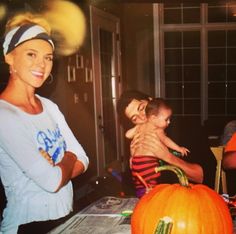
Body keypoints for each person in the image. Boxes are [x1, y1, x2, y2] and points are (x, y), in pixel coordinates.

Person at [0, 12, 89, 234]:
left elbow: (84, 159)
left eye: (48, 57)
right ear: (9, 57)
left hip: (65, 216)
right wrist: (68, 157)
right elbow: (52, 181)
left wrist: (59, 165)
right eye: (31, 54)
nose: (42, 64)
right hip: (27, 225)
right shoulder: (4, 115)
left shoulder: (49, 107)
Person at [117, 90, 216, 190]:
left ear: (151, 101)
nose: (142, 117)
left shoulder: (189, 127)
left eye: (142, 108)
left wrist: (167, 156)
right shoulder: (138, 139)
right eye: (134, 118)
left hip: (189, 199)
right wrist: (133, 161)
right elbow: (130, 186)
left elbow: (205, 176)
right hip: (157, 199)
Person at [125, 98, 189, 197]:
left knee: (140, 184)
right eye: (166, 119)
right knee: (152, 184)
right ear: (154, 118)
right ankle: (150, 195)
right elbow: (166, 140)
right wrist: (179, 148)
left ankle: (142, 194)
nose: (169, 122)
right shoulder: (157, 129)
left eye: (142, 108)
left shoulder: (140, 127)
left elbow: (127, 135)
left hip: (136, 163)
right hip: (148, 162)